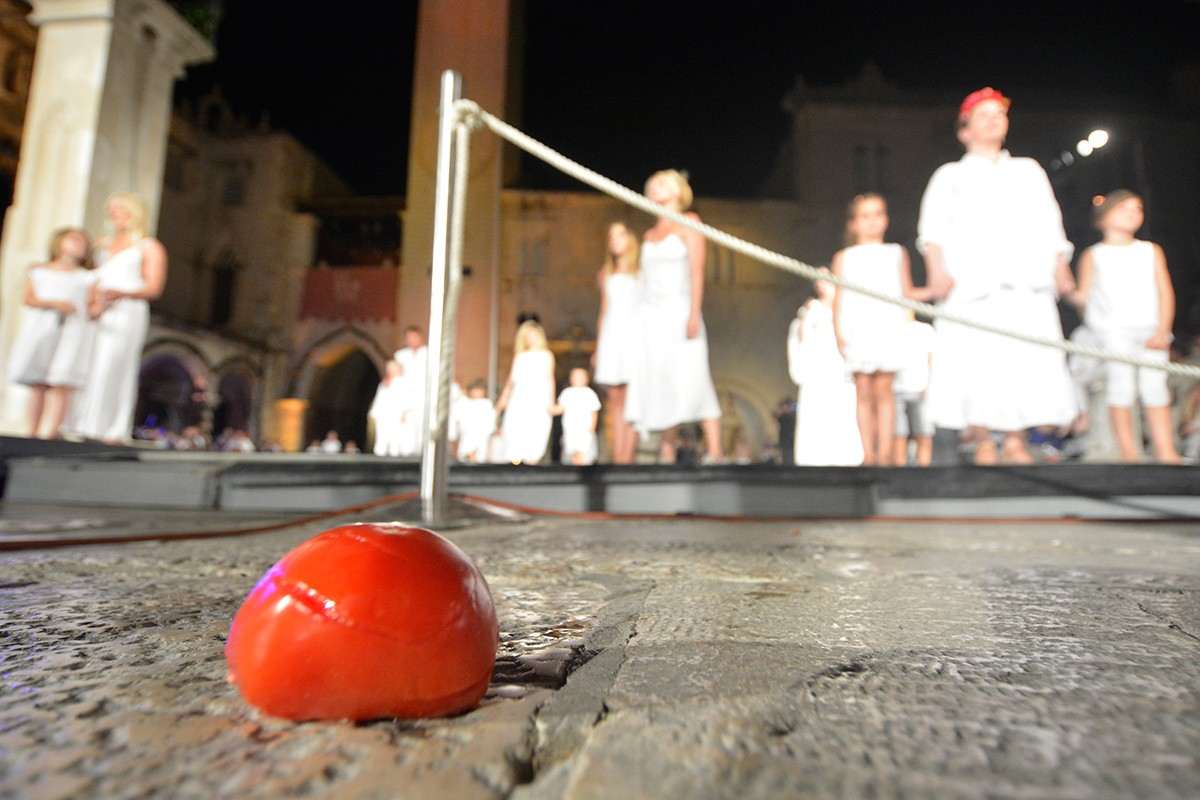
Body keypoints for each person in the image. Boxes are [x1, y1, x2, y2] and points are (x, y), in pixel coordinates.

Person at [917, 87, 1076, 464]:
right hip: (971, 286)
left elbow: (1050, 223)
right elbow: (932, 231)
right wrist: (937, 272)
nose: (993, 121)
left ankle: (1016, 441)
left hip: (1024, 284)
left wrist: (1061, 267)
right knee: (978, 362)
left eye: (999, 115)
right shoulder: (950, 176)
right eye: (983, 116)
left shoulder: (1028, 171)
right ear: (964, 130)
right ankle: (985, 441)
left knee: (1021, 361)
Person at [1071, 191, 1180, 463]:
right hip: (1114, 331)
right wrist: (1066, 289)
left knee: (1155, 388)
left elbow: (1164, 291)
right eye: (1123, 208)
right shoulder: (1094, 254)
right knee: (1121, 388)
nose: (1132, 213)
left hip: (1150, 329)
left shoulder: (1150, 250)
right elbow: (1083, 296)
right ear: (1103, 216)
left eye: (1137, 208)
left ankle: (1165, 450)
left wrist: (1163, 329)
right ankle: (1129, 453)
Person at [623, 169, 723, 463]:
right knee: (661, 377)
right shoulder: (649, 234)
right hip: (652, 315)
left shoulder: (689, 223)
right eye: (652, 185)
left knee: (693, 373)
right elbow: (644, 281)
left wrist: (693, 312)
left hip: (679, 309)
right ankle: (666, 449)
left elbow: (697, 271)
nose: (655, 188)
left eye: (662, 184)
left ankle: (715, 450)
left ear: (678, 190)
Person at [832, 193, 930, 464]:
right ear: (853, 223)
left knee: (885, 389)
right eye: (865, 216)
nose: (872, 221)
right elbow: (839, 299)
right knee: (863, 388)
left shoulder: (896, 253)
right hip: (857, 325)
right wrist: (838, 333)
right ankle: (868, 453)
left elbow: (907, 292)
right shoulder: (844, 257)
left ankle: (885, 453)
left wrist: (934, 291)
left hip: (888, 324)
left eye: (877, 214)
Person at [73, 193, 168, 443]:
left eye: (120, 209)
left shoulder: (148, 246)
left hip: (127, 310)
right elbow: (91, 277)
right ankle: (83, 422)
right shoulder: (103, 244)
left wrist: (120, 293)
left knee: (114, 362)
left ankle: (111, 427)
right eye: (112, 209)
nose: (114, 214)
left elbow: (153, 287)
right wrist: (93, 301)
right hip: (99, 310)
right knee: (89, 361)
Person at [7, 228, 96, 439]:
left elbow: (93, 306)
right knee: (38, 381)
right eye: (73, 239)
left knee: (60, 382)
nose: (78, 245)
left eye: (82, 241)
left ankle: (51, 432)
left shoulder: (87, 277)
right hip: (42, 328)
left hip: (71, 331)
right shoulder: (39, 271)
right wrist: (55, 304)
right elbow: (29, 298)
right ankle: (32, 431)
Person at [787, 275, 864, 466]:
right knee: (815, 437)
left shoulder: (848, 314)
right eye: (819, 281)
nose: (823, 285)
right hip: (816, 382)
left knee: (844, 433)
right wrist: (806, 319)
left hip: (842, 381)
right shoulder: (807, 314)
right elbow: (799, 345)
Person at [593, 221, 641, 463]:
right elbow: (604, 311)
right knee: (614, 397)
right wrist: (598, 346)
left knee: (632, 396)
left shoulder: (641, 271)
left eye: (620, 235)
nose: (615, 240)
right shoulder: (606, 273)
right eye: (611, 236)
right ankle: (617, 455)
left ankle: (627, 456)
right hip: (612, 335)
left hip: (634, 335)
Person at [496, 320, 555, 464]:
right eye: (527, 336)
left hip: (539, 399)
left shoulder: (546, 355)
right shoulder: (520, 356)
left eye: (533, 335)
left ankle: (531, 463)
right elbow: (511, 381)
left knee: (536, 432)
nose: (530, 339)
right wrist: (502, 401)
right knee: (515, 431)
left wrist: (551, 402)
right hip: (519, 399)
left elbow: (550, 379)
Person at [891, 315, 936, 466]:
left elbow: (932, 360)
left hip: (921, 390)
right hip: (895, 390)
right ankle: (899, 472)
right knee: (899, 435)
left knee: (924, 435)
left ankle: (925, 472)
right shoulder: (891, 327)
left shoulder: (926, 330)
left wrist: (930, 386)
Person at [554, 367, 602, 465]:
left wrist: (592, 426)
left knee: (584, 450)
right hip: (570, 429)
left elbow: (594, 411)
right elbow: (560, 408)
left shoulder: (589, 393)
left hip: (585, 429)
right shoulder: (567, 392)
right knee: (570, 450)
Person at [393, 326, 428, 457]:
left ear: (420, 337)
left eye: (414, 337)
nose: (412, 340)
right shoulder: (401, 355)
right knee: (406, 428)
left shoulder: (429, 353)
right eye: (409, 337)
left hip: (423, 396)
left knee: (422, 427)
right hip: (405, 396)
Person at [368, 360, 405, 457]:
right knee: (381, 436)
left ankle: (395, 456)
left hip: (395, 414)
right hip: (383, 414)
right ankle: (380, 454)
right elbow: (379, 398)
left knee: (394, 438)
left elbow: (404, 399)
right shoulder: (384, 383)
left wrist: (403, 413)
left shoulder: (402, 382)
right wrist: (374, 412)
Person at [454, 379, 496, 463]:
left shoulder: (486, 404)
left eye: (479, 390)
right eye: (476, 389)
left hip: (481, 436)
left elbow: (490, 423)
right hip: (467, 436)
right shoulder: (463, 402)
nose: (477, 392)